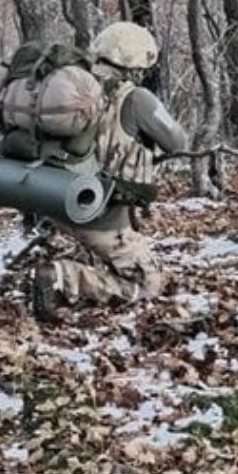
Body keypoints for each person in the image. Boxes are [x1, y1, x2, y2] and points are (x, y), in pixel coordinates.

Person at [31, 22, 188, 322]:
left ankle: (71, 255)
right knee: (148, 284)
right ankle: (62, 276)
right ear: (136, 61)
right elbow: (177, 142)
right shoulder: (136, 97)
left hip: (52, 200)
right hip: (102, 215)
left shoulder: (69, 88)